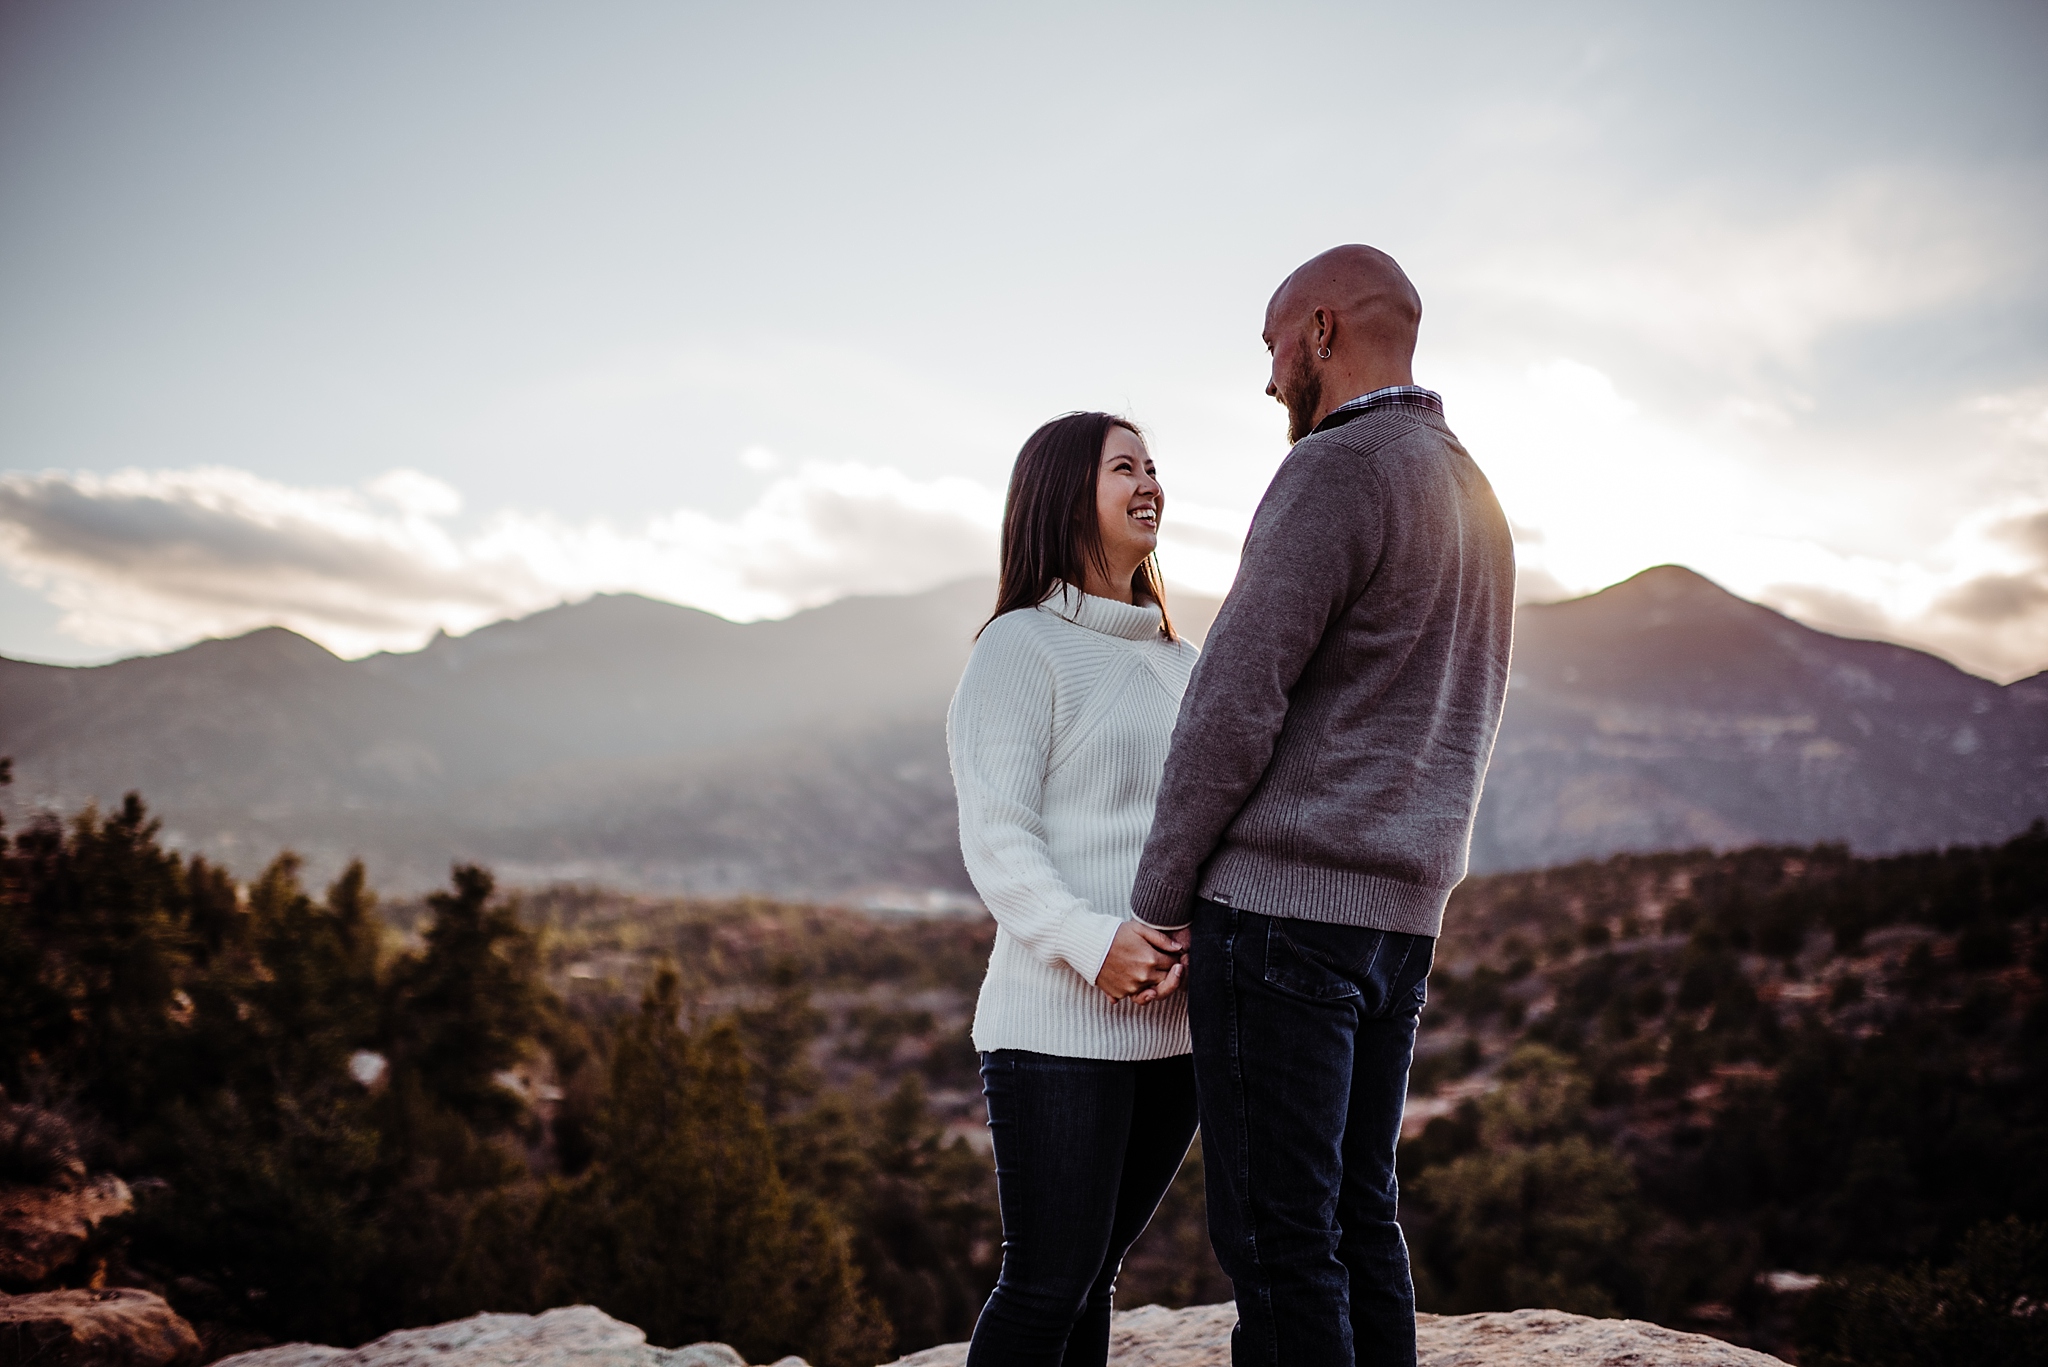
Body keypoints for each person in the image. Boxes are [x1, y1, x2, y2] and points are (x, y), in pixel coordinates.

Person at [1129, 246, 1517, 1367]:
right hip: (1397, 926)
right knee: (1358, 1216)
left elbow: (1232, 699)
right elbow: (1468, 711)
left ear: (1319, 330)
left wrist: (1159, 898)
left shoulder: (1336, 468)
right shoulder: (1467, 483)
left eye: (1268, 347)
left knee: (1278, 1239)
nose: (1264, 382)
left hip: (1283, 916)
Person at [947, 411, 1201, 1367]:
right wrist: (1092, 940)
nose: (1149, 483)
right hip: (1053, 1023)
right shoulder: (1019, 647)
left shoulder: (1185, 662)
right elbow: (996, 835)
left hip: (1173, 1030)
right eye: (1123, 467)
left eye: (1153, 466)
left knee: (1093, 1274)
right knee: (1048, 1280)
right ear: (1065, 494)